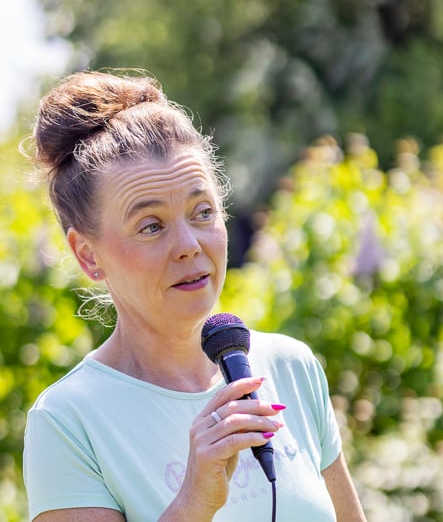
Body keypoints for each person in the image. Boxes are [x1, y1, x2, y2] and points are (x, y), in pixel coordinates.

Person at [22, 70, 366, 521]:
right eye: (151, 226)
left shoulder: (292, 367)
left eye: (202, 212)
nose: (189, 245)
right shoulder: (67, 421)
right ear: (88, 255)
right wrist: (193, 502)